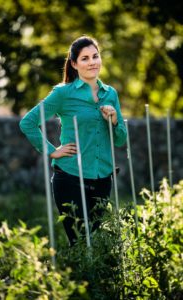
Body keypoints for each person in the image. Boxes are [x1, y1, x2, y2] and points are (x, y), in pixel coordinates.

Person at [19, 35, 127, 246]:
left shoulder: (110, 94)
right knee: (80, 242)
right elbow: (28, 122)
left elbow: (121, 139)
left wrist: (114, 121)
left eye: (95, 56)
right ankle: (74, 278)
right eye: (85, 58)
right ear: (74, 64)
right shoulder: (63, 94)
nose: (92, 62)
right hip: (70, 178)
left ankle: (85, 277)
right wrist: (52, 151)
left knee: (92, 242)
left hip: (102, 180)